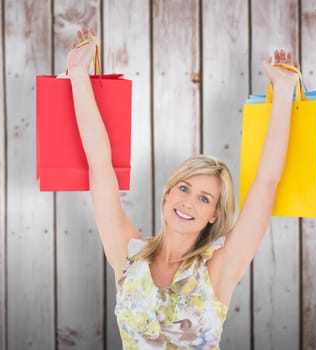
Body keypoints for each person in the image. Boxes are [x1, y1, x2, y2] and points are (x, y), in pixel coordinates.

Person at [66, 27, 299, 349]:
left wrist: (284, 91)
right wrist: (78, 73)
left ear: (214, 215)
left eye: (204, 198)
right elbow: (100, 165)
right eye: (185, 188)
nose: (188, 202)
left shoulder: (218, 268)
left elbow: (267, 181)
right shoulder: (128, 256)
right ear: (167, 193)